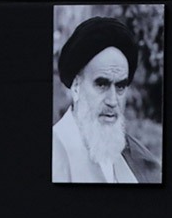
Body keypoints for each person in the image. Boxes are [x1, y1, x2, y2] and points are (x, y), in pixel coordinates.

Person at [52, 15, 161, 184]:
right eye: (102, 84)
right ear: (76, 87)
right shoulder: (55, 151)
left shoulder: (139, 160)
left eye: (120, 86)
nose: (112, 101)